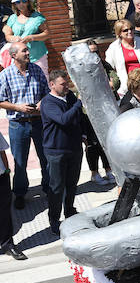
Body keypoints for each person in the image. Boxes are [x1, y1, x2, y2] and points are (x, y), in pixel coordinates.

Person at [0, 42, 50, 209]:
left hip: (38, 122)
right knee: (20, 161)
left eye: (27, 50)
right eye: (24, 50)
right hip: (18, 124)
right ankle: (20, 193)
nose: (28, 53)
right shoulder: (5, 75)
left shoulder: (36, 70)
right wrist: (18, 107)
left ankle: (49, 188)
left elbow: (47, 92)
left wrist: (41, 104)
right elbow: (0, 100)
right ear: (13, 55)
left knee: (46, 157)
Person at [40, 70, 83, 235]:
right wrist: (78, 103)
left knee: (72, 184)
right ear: (52, 84)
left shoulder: (70, 96)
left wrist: (83, 134)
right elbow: (64, 120)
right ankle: (54, 219)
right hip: (56, 151)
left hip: (74, 148)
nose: (66, 86)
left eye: (67, 83)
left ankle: (70, 211)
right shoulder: (48, 103)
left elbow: (78, 117)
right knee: (57, 187)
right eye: (62, 84)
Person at [83, 40, 117, 185]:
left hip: (106, 107)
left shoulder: (105, 65)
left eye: (96, 51)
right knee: (92, 144)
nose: (95, 54)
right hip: (90, 110)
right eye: (91, 52)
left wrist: (107, 84)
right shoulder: (82, 68)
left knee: (107, 140)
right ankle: (94, 172)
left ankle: (108, 169)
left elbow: (115, 82)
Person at [5, 0, 50, 78]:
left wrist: (31, 37)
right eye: (18, 2)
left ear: (28, 2)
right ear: (15, 4)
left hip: (37, 56)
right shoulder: (12, 18)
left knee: (42, 78)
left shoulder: (38, 17)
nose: (21, 4)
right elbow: (8, 36)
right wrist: (13, 39)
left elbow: (47, 34)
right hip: (19, 58)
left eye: (24, 1)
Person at [0, 131, 26, 260]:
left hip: (1, 176)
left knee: (4, 212)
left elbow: (2, 151)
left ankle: (7, 244)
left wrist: (6, 171)